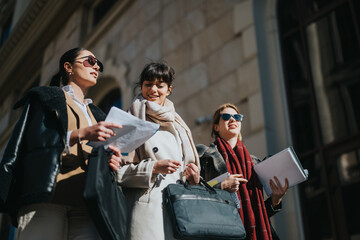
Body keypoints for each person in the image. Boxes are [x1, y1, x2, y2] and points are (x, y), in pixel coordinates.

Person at [0, 48, 122, 240]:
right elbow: (33, 142)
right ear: (68, 67)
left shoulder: (97, 114)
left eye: (99, 63)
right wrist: (80, 134)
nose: (97, 66)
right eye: (90, 60)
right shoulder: (46, 98)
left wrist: (110, 161)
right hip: (48, 196)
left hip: (87, 203)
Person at [116, 62, 200, 240]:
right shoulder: (130, 120)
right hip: (147, 208)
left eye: (159, 85)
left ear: (168, 89)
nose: (153, 90)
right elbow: (117, 172)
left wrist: (192, 178)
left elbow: (185, 168)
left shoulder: (179, 125)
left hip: (179, 208)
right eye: (148, 84)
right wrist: (153, 167)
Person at [196, 103, 289, 240]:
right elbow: (195, 191)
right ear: (216, 126)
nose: (233, 120)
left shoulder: (254, 162)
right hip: (222, 232)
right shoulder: (204, 155)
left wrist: (275, 200)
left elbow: (258, 214)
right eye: (226, 117)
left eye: (237, 117)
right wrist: (221, 185)